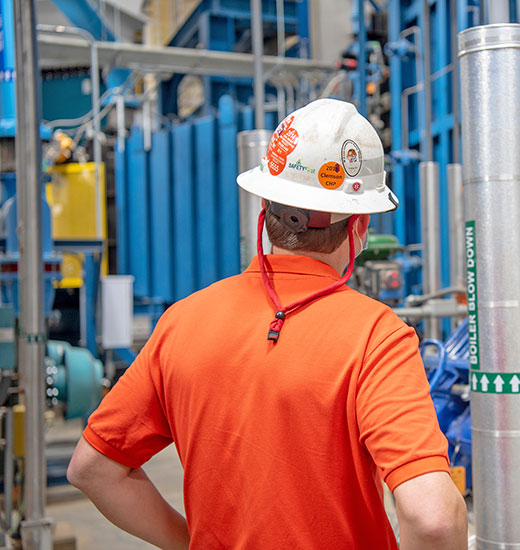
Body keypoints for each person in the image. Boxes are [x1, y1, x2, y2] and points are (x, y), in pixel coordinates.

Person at [67, 99, 467, 549]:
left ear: (265, 210)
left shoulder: (181, 322)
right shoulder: (377, 335)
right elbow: (433, 518)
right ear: (359, 228)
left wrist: (193, 541)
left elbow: (93, 468)